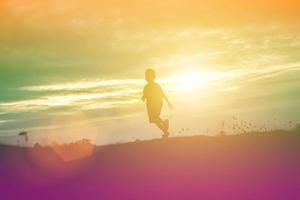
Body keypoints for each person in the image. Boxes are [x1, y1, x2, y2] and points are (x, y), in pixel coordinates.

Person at [141, 69, 173, 138]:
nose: (147, 78)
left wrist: (168, 102)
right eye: (146, 76)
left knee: (155, 117)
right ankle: (165, 131)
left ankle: (164, 124)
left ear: (153, 76)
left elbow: (162, 94)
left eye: (149, 76)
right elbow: (144, 95)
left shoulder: (156, 86)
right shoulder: (146, 87)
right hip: (149, 104)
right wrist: (143, 98)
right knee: (154, 120)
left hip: (157, 103)